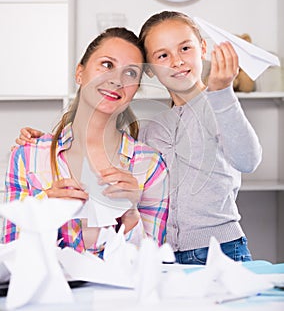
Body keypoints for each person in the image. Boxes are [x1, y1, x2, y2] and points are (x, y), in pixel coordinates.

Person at [14, 11, 262, 264]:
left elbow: (248, 159)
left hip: (222, 249)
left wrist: (221, 93)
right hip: (169, 256)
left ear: (203, 48)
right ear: (151, 70)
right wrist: (50, 142)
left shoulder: (219, 107)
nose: (176, 61)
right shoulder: (152, 130)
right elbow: (104, 137)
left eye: (185, 48)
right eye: (163, 55)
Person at [2, 27, 169, 256]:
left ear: (136, 89)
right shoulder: (28, 156)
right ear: (79, 73)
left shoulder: (150, 165)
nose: (117, 80)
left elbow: (154, 263)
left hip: (119, 292)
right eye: (107, 65)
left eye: (130, 73)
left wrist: (130, 215)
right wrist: (42, 210)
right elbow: (12, 253)